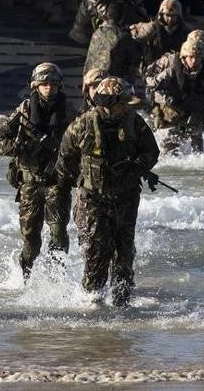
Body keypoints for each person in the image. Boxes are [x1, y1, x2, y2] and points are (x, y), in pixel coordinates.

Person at [56, 76, 160, 306]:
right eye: (122, 102)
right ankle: (92, 301)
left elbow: (152, 152)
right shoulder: (83, 124)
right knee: (97, 250)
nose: (126, 107)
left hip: (126, 196)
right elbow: (65, 159)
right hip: (92, 197)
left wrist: (134, 166)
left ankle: (122, 302)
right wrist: (74, 186)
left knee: (124, 253)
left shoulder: (135, 122)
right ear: (109, 102)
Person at [0, 63, 76, 278]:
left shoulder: (68, 112)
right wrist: (22, 147)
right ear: (35, 86)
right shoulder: (25, 110)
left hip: (56, 182)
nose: (49, 88)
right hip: (30, 182)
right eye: (44, 84)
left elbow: (81, 144)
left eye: (53, 84)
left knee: (58, 234)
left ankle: (57, 277)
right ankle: (25, 279)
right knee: (30, 241)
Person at [149, 39, 204, 153]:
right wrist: (169, 100)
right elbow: (154, 88)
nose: (194, 60)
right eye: (191, 57)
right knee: (169, 146)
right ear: (184, 57)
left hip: (193, 117)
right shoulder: (171, 72)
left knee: (197, 148)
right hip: (172, 115)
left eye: (197, 57)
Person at [84, 2, 143, 82]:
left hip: (94, 76)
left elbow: (89, 58)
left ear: (107, 15)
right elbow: (134, 59)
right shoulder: (123, 36)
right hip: (113, 81)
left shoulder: (98, 32)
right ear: (122, 17)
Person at [130, 0, 191, 71]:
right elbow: (133, 38)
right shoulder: (152, 27)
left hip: (177, 68)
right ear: (161, 14)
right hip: (153, 67)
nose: (170, 19)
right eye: (167, 15)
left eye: (173, 15)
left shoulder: (186, 30)